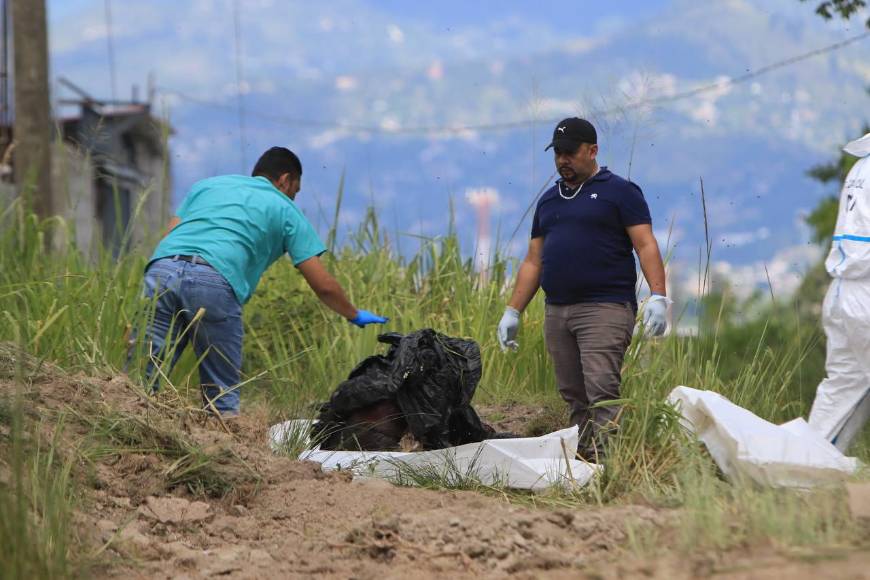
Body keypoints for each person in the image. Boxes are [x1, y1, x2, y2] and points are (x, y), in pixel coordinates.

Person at [135, 146, 388, 416]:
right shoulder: (285, 208)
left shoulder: (207, 186)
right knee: (221, 396)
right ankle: (224, 444)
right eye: (295, 190)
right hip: (214, 279)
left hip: (162, 271)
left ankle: (129, 434)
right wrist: (352, 314)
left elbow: (171, 234)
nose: (294, 197)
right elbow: (323, 284)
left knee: (142, 378)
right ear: (285, 180)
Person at [497, 118, 669, 460]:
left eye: (570, 152)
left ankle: (610, 465)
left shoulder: (620, 192)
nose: (563, 160)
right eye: (558, 153)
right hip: (558, 310)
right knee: (573, 393)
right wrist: (512, 310)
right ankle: (584, 461)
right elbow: (534, 261)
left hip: (605, 308)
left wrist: (659, 295)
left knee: (602, 388)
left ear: (591, 151)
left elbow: (645, 244)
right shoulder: (548, 202)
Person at [808, 131, 870, 452]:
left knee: (843, 387)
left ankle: (804, 471)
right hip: (865, 292)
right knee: (845, 386)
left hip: (844, 290)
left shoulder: (861, 166)